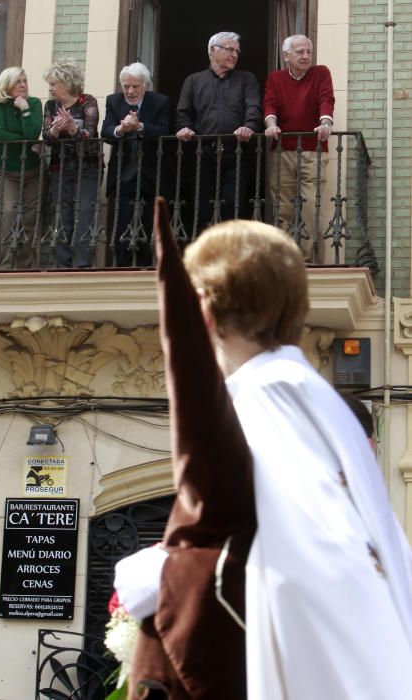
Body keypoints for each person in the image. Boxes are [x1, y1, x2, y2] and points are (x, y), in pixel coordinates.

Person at [115, 201, 412, 699]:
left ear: (204, 310)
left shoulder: (263, 398)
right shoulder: (316, 398)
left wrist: (162, 574)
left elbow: (304, 559)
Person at [175, 32, 262, 231]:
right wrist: (183, 127)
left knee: (233, 206)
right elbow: (183, 112)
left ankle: (231, 257)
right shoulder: (193, 81)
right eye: (229, 49)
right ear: (213, 50)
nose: (235, 54)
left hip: (236, 152)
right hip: (202, 153)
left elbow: (253, 107)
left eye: (237, 51)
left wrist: (248, 126)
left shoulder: (246, 79)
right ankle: (205, 256)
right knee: (201, 208)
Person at [264, 34, 335, 261]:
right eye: (300, 52)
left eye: (308, 52)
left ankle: (308, 260)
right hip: (282, 150)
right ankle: (285, 260)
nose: (306, 56)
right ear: (286, 56)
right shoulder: (276, 78)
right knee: (282, 208)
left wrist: (326, 122)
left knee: (310, 206)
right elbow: (270, 104)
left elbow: (326, 98)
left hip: (313, 149)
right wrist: (271, 125)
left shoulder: (320, 73)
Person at [101, 62, 170, 267]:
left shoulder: (160, 102)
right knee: (123, 222)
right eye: (126, 86)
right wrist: (120, 130)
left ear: (145, 86)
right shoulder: (114, 101)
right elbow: (106, 131)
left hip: (151, 173)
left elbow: (165, 131)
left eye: (135, 87)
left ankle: (146, 266)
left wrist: (140, 127)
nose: (130, 91)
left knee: (149, 223)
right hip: (125, 173)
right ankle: (121, 266)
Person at [42, 60, 99, 268]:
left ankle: (83, 264)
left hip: (87, 167)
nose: (50, 88)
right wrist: (56, 130)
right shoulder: (50, 106)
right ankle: (62, 265)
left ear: (66, 83)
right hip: (60, 167)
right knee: (61, 212)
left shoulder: (87, 102)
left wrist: (74, 129)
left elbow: (91, 135)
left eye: (53, 84)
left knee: (85, 211)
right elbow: (46, 136)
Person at [0, 67, 43, 269]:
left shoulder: (35, 103)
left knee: (30, 218)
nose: (23, 84)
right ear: (7, 85)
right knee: (8, 213)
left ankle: (26, 267)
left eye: (25, 80)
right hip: (7, 172)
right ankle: (5, 266)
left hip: (33, 171)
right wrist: (27, 142)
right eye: (18, 81)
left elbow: (33, 132)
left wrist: (25, 109)